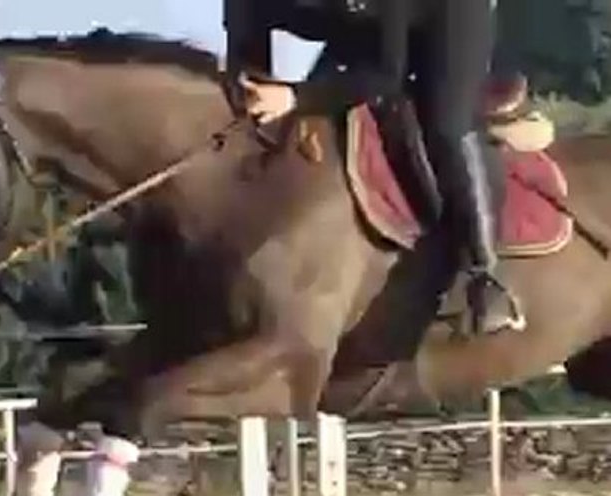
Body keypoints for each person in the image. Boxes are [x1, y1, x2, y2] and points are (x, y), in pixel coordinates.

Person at [222, 0, 526, 336]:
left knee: (445, 124)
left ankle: (485, 273)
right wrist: (252, 90)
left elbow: (383, 78)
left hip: (447, 15)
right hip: (358, 18)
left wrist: (296, 96)